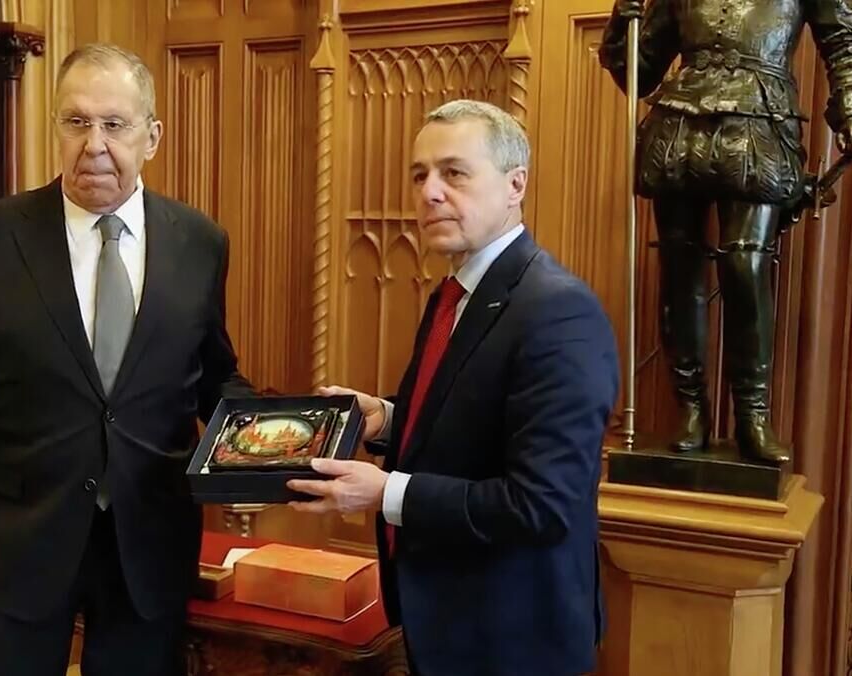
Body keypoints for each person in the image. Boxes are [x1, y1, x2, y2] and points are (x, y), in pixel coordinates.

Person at [0, 43, 253, 676]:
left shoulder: (200, 243)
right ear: (57, 128)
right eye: (76, 122)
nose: (93, 144)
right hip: (20, 545)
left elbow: (213, 378)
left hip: (148, 542)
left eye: (114, 124)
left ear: (152, 136)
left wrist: (282, 437)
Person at [287, 99, 619, 676]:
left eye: (454, 173)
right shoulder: (455, 295)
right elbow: (473, 425)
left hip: (514, 642)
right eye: (420, 175)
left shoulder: (559, 311)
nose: (430, 192)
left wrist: (386, 493)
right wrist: (387, 419)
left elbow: (541, 503)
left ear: (515, 185)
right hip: (446, 625)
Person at [598, 0, 852, 463]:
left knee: (745, 265)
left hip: (761, 121)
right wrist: (623, 18)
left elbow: (842, 40)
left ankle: (752, 415)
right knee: (679, 267)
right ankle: (691, 409)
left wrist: (850, 104)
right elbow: (638, 71)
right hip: (679, 125)